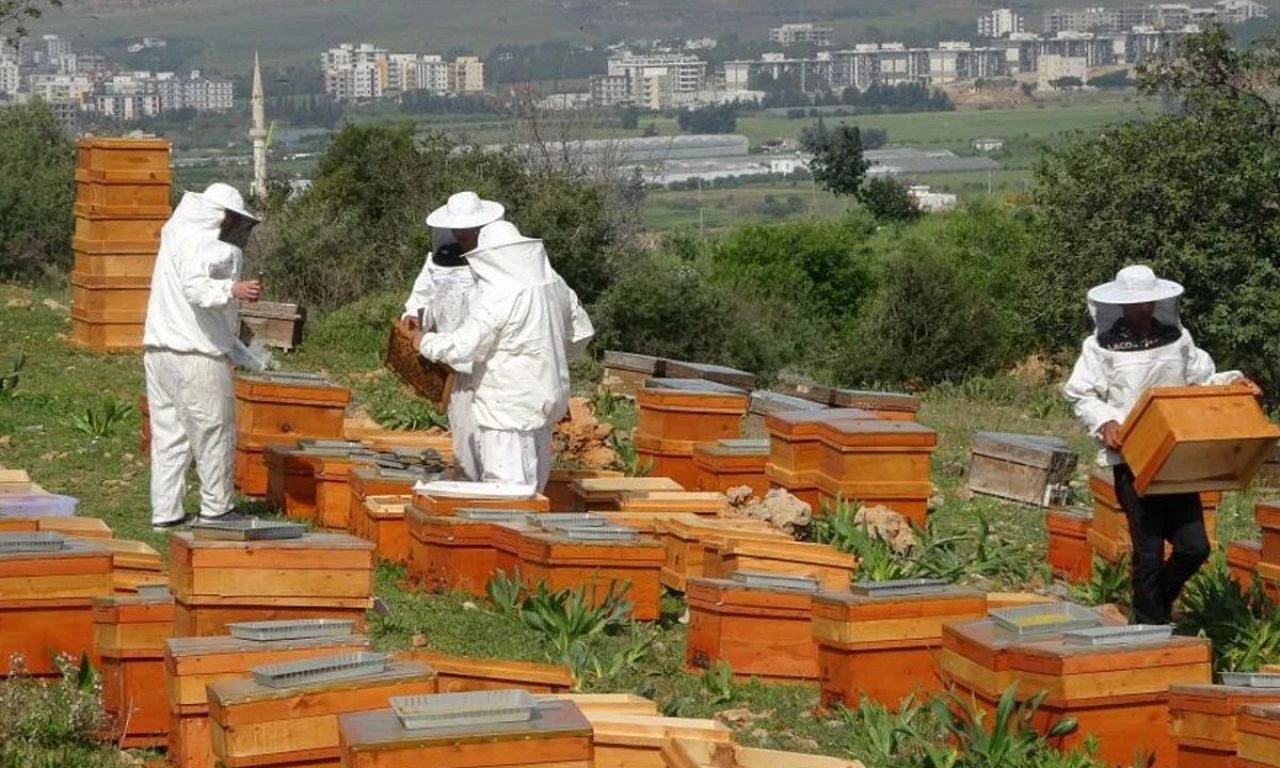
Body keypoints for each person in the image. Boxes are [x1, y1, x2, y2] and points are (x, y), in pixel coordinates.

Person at [1064, 265, 1261, 624]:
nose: (1144, 310)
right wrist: (1105, 421)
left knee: (1194, 547)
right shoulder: (1100, 347)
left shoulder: (1177, 338)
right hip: (1134, 459)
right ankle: (1150, 627)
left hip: (1177, 458)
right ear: (1121, 306)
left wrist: (1235, 383)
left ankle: (1154, 604)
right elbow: (1081, 393)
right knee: (1149, 552)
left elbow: (1200, 381)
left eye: (1149, 302)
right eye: (1137, 304)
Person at [414, 219, 594, 491]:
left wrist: (424, 341)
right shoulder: (554, 283)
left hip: (506, 411)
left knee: (507, 493)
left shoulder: (500, 293)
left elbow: (463, 347)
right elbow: (580, 333)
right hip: (544, 401)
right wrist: (547, 360)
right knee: (534, 488)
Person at [142, 183, 262, 531]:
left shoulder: (176, 236)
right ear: (220, 217)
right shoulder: (204, 243)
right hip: (195, 357)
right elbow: (197, 291)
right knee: (214, 432)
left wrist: (241, 351)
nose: (236, 229)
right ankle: (217, 509)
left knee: (169, 436)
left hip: (159, 351)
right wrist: (233, 289)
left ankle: (166, 512)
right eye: (234, 221)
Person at [399, 192, 505, 480]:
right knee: (465, 441)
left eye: (466, 229)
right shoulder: (437, 261)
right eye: (456, 228)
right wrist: (412, 318)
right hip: (452, 363)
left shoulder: (497, 261)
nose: (460, 234)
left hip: (492, 367)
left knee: (496, 446)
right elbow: (421, 300)